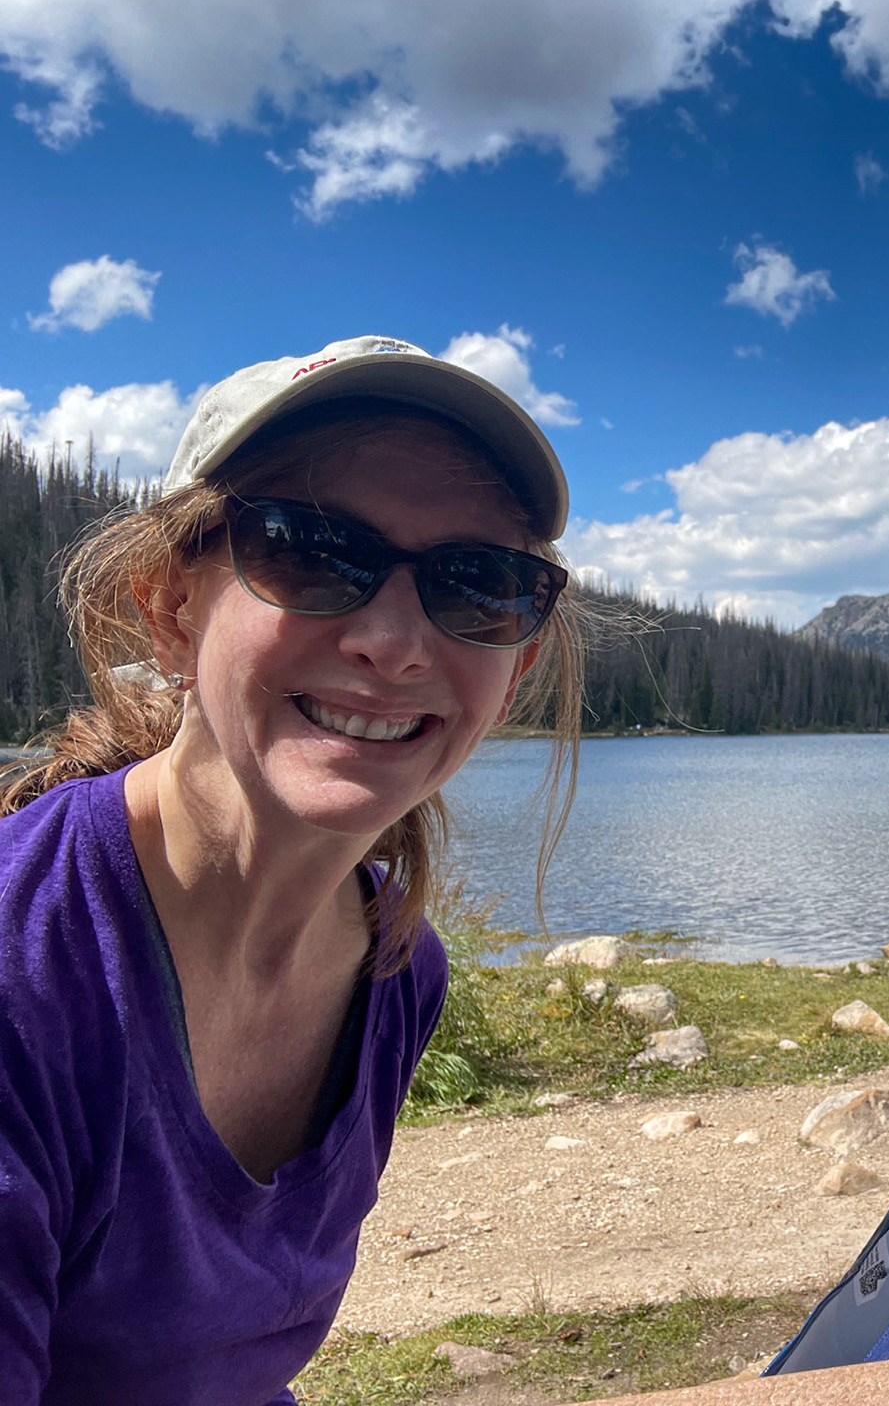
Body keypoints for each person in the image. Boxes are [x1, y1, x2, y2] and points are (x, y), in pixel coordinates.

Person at [0, 336, 585, 1403]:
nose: (396, 641)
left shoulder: (396, 968)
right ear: (171, 606)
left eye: (479, 583)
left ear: (516, 667)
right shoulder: (19, 971)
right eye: (313, 551)